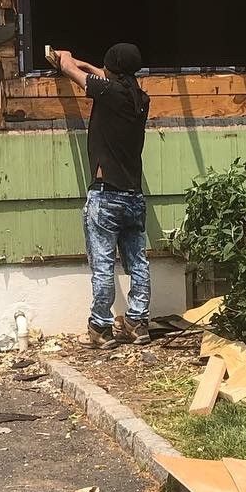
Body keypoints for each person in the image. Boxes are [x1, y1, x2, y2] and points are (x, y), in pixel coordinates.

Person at [52, 42, 151, 346]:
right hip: (134, 198)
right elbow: (106, 78)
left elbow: (69, 69)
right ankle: (137, 322)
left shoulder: (108, 93)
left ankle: (101, 326)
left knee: (104, 265)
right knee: (138, 263)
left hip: (107, 197)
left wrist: (65, 57)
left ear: (112, 69)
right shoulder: (140, 98)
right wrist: (90, 65)